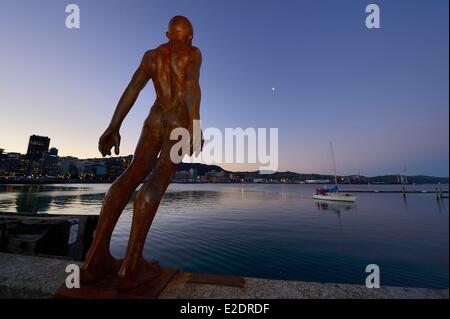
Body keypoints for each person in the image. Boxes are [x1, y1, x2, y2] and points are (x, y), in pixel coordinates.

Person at [80, 16, 202, 292]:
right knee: (158, 179)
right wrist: (195, 124)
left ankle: (94, 261)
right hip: (178, 119)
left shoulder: (151, 56)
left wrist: (114, 125)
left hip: (154, 119)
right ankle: (131, 267)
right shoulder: (193, 53)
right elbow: (192, 85)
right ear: (190, 37)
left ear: (167, 33)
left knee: (131, 174)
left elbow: (133, 88)